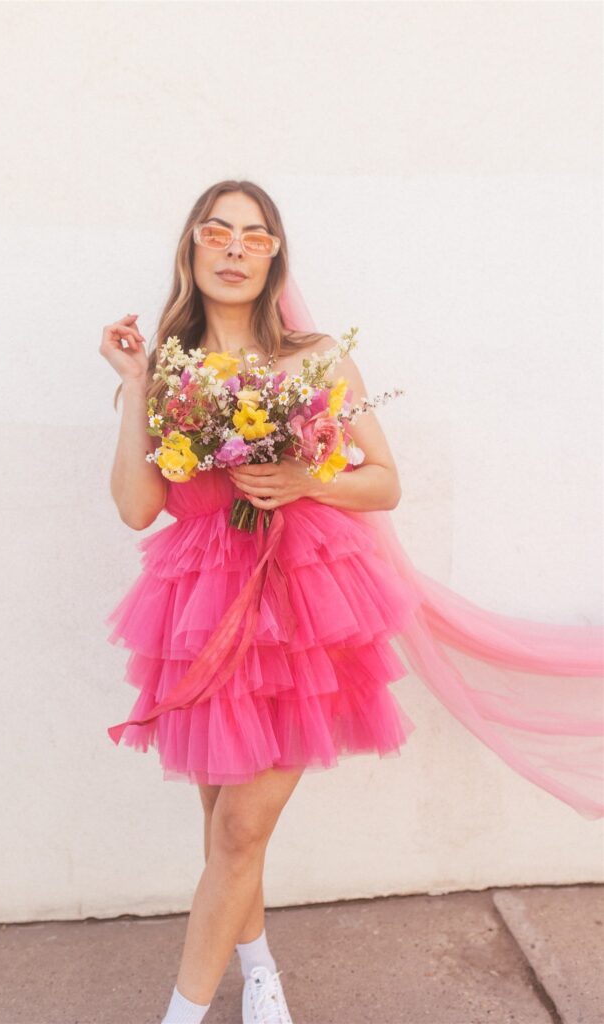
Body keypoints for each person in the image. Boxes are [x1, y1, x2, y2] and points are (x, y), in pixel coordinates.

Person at [99, 180, 604, 1024]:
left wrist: (304, 476)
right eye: (215, 232)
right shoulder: (167, 370)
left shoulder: (316, 356)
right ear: (190, 250)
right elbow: (136, 508)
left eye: (253, 236)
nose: (232, 248)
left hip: (301, 607)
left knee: (234, 832)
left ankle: (179, 1015)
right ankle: (259, 973)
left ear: (274, 256)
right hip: (198, 611)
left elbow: (384, 483)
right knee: (228, 824)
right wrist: (138, 377)